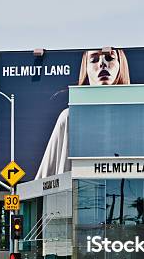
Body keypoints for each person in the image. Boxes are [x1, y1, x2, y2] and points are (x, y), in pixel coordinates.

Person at [35, 48, 131, 179]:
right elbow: (43, 182)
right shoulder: (70, 118)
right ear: (86, 69)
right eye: (94, 60)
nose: (102, 64)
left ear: (121, 65)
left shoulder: (138, 116)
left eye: (109, 58)